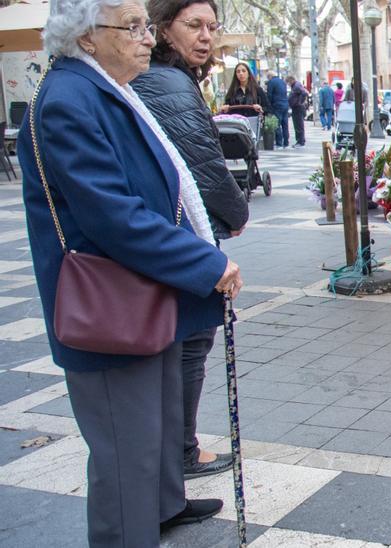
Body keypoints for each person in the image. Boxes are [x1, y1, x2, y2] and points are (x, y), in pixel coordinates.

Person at [20, 0, 243, 544]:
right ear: (88, 37)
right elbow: (114, 216)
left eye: (147, 25)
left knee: (158, 423)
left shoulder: (104, 88)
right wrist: (206, 263)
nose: (148, 37)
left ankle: (164, 503)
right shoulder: (69, 99)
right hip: (109, 302)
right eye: (134, 27)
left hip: (143, 290)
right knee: (126, 449)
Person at [132, 0, 249, 483]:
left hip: (172, 229)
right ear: (163, 29)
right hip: (186, 233)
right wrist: (237, 213)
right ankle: (182, 451)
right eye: (194, 25)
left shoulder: (160, 78)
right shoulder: (170, 83)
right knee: (192, 341)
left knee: (181, 343)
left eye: (212, 27)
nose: (206, 36)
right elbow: (204, 167)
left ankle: (172, 453)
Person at [264, 69, 288, 147]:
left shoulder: (271, 82)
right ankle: (286, 142)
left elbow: (269, 95)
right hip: (285, 104)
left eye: (268, 77)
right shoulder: (282, 81)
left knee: (277, 124)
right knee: (285, 124)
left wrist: (268, 106)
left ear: (270, 76)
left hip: (277, 105)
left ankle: (279, 143)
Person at [286, 75, 306, 147]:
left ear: (291, 80)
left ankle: (300, 141)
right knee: (298, 124)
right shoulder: (296, 85)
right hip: (296, 107)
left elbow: (304, 93)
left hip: (298, 107)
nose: (288, 84)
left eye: (288, 82)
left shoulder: (296, 86)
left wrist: (299, 102)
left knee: (298, 124)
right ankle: (300, 140)